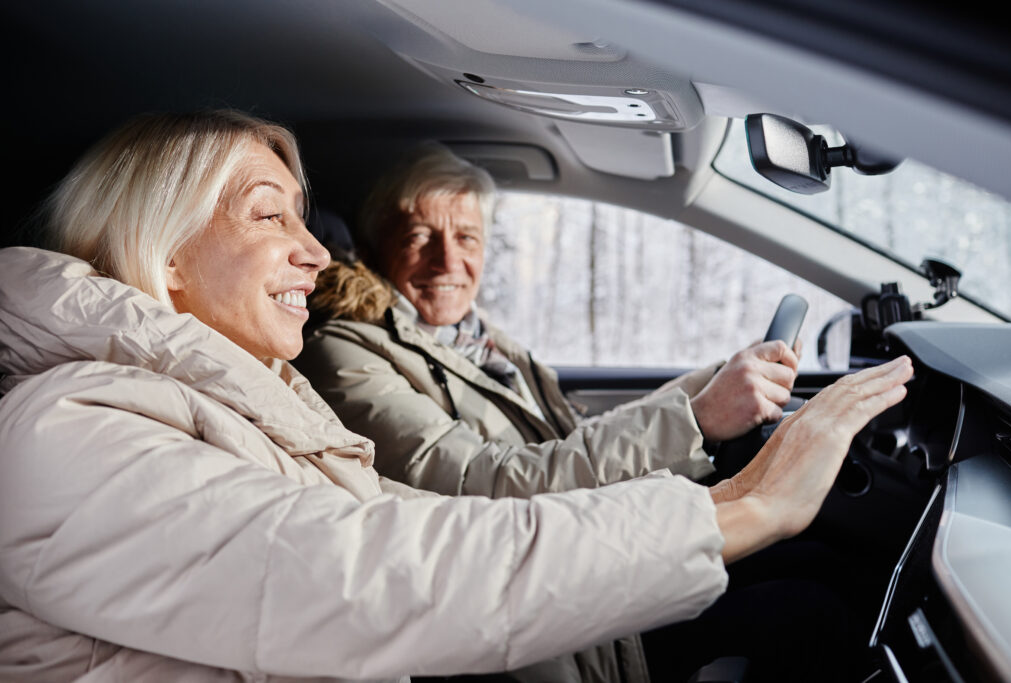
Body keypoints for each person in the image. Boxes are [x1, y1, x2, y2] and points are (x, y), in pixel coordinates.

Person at [0, 110, 913, 683]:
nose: (318, 255)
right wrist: (735, 506)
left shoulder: (251, 401)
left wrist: (702, 424)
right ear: (163, 253)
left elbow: (383, 524)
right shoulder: (63, 429)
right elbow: (388, 559)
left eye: (468, 236)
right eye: (269, 213)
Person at [295, 142, 802, 500]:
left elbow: (567, 441)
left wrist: (708, 385)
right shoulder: (344, 351)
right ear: (374, 248)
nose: (448, 262)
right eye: (419, 237)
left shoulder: (476, 338)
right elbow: (483, 482)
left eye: (467, 238)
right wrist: (696, 421)